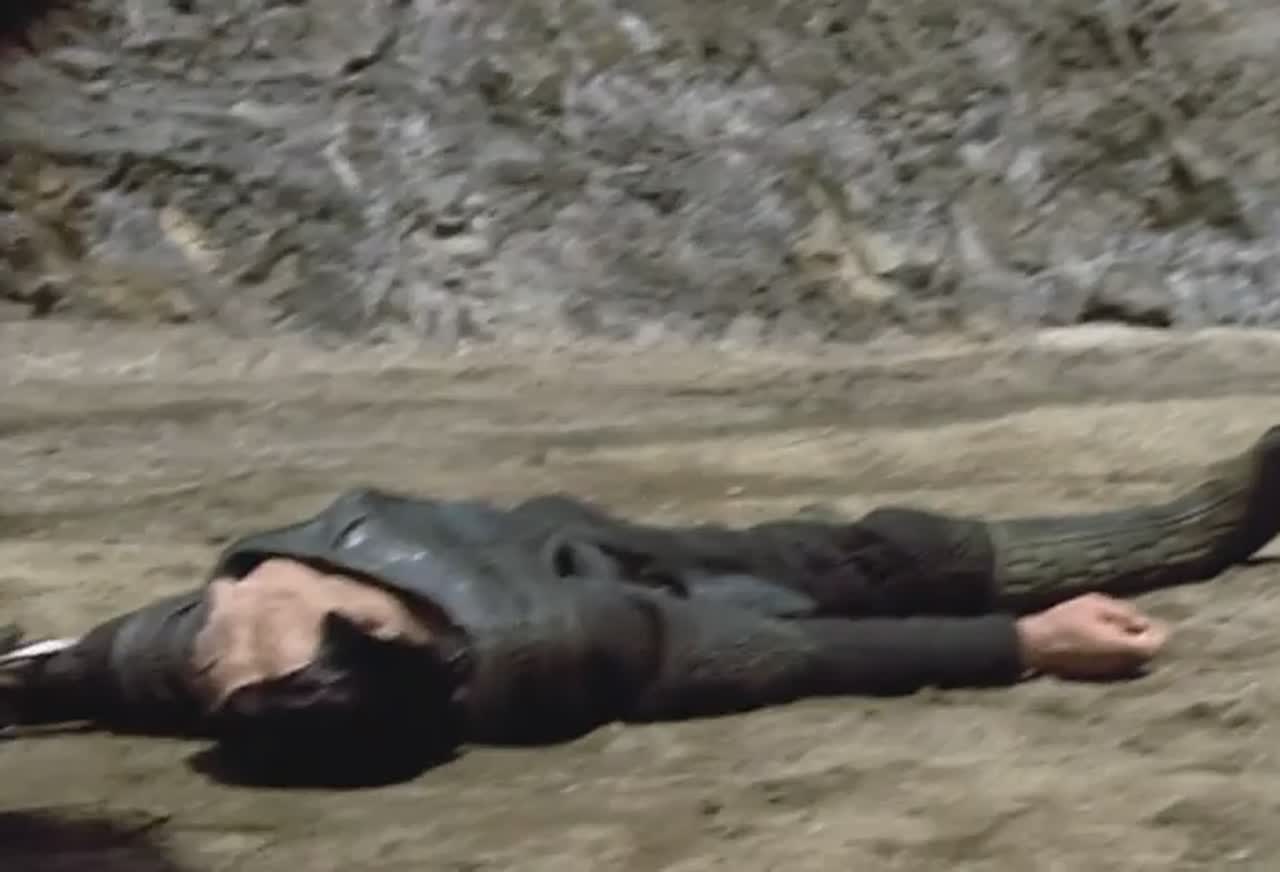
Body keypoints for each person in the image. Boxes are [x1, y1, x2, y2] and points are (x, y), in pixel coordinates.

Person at [1, 425, 1277, 781]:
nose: (230, 642)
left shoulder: (195, 645)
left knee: (852, 551)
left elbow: (72, 665)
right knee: (866, 561)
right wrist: (1023, 641)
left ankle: (1183, 528)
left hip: (561, 537)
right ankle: (1198, 532)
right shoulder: (541, 651)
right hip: (626, 585)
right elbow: (789, 655)